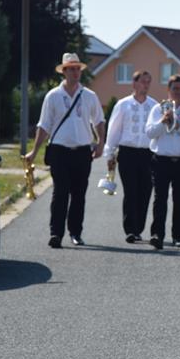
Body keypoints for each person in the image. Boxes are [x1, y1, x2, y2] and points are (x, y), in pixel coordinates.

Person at [25, 53, 106, 248]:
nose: (76, 72)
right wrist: (34, 152)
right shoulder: (53, 96)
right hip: (59, 150)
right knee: (60, 192)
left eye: (78, 68)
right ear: (64, 71)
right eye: (71, 68)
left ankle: (75, 233)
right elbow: (43, 126)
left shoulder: (89, 95)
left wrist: (101, 142)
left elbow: (99, 120)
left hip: (82, 151)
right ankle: (56, 233)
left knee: (78, 194)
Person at [145, 74, 180, 249]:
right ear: (168, 90)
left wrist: (178, 126)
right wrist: (163, 122)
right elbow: (149, 133)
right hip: (161, 160)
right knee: (159, 198)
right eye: (175, 89)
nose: (179, 92)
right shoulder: (158, 109)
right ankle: (157, 235)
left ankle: (178, 236)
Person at [103, 70, 158, 243]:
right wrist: (109, 153)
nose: (146, 85)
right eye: (143, 81)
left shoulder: (154, 105)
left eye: (148, 82)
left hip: (148, 154)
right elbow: (114, 129)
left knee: (145, 191)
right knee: (131, 191)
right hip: (128, 152)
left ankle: (138, 228)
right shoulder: (123, 104)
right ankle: (130, 229)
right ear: (134, 84)